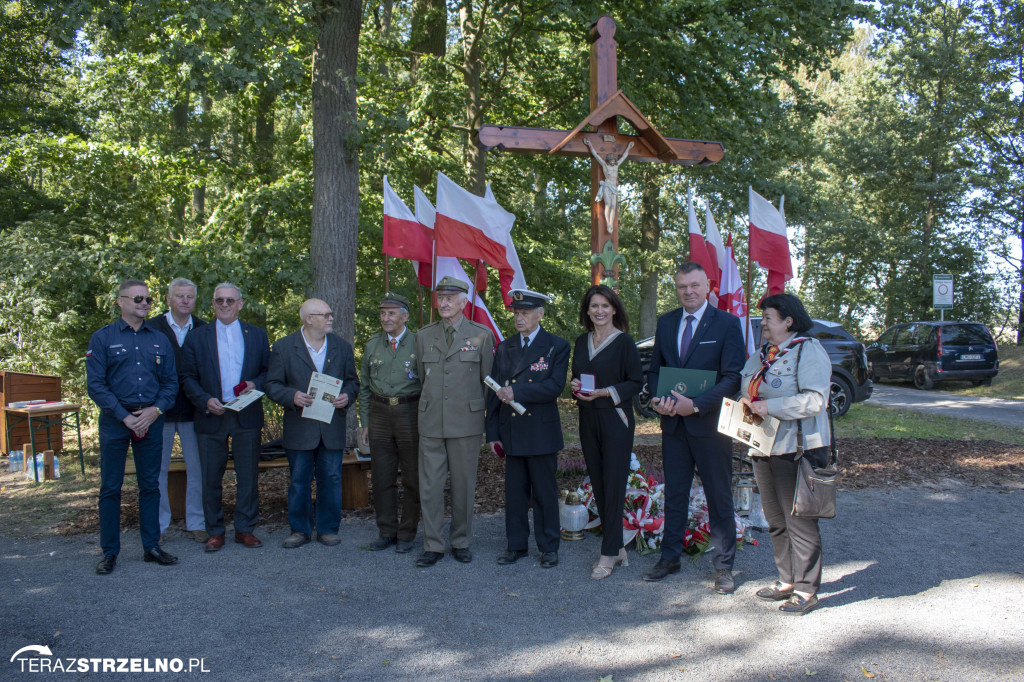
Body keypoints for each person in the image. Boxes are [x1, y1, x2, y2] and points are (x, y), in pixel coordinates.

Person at [644, 262, 745, 594]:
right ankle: (669, 557)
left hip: (710, 426)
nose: (688, 291)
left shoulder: (728, 324)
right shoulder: (667, 322)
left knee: (719, 495)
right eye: (682, 286)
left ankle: (724, 566)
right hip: (673, 424)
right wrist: (658, 399)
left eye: (694, 285)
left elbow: (733, 377)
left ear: (707, 286)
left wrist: (697, 404)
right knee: (674, 492)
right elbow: (656, 368)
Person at [739, 293, 832, 615]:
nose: (762, 323)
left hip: (798, 448)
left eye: (768, 318)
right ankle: (786, 579)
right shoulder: (763, 354)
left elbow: (816, 400)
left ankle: (807, 590)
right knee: (775, 518)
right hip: (764, 445)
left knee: (799, 520)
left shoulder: (809, 350)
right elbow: (745, 385)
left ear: (788, 321)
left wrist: (771, 406)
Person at [86, 278, 179, 574]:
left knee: (150, 485)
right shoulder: (103, 338)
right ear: (121, 301)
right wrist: (125, 417)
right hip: (116, 420)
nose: (145, 304)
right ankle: (110, 551)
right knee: (111, 487)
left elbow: (171, 383)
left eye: (149, 300)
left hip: (151, 419)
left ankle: (151, 546)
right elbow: (96, 385)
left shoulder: (160, 339)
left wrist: (155, 411)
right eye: (138, 299)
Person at [182, 283, 270, 552]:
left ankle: (245, 528)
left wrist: (256, 383)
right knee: (210, 477)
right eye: (219, 300)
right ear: (212, 303)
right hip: (211, 414)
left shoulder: (256, 335)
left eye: (230, 300)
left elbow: (269, 371)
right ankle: (215, 531)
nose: (224, 304)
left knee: (248, 476)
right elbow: (186, 376)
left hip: (246, 415)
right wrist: (204, 400)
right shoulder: (198, 336)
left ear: (240, 304)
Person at [486, 289, 570, 569]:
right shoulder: (506, 346)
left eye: (524, 313)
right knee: (515, 493)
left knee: (545, 493)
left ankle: (549, 547)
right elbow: (494, 391)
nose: (518, 318)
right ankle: (516, 545)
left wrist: (516, 390)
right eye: (516, 313)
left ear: (540, 314)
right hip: (512, 430)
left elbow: (554, 386)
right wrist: (492, 433)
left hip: (540, 431)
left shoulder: (556, 346)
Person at [414, 276, 494, 567]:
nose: (444, 303)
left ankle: (461, 541)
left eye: (450, 298)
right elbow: (425, 380)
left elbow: (487, 381)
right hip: (432, 421)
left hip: (466, 422)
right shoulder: (424, 335)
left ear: (464, 302)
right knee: (431, 486)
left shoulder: (481, 335)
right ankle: (433, 545)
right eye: (440, 298)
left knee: (463, 485)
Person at [265, 299, 358, 548]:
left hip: (331, 427)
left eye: (331, 314)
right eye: (325, 315)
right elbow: (272, 384)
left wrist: (347, 396)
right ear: (308, 318)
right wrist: (291, 396)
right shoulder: (284, 347)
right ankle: (300, 530)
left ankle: (328, 528)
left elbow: (353, 382)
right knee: (299, 480)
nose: (330, 318)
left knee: (331, 477)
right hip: (300, 426)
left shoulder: (342, 346)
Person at [570, 285, 643, 580]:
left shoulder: (624, 342)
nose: (599, 311)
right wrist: (575, 387)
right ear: (587, 311)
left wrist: (605, 392)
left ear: (614, 309)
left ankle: (608, 553)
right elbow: (577, 377)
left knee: (613, 484)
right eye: (594, 306)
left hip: (615, 419)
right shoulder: (581, 341)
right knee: (598, 484)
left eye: (605, 306)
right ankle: (618, 546)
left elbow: (635, 381)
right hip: (588, 418)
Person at [358, 293, 421, 554]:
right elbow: (363, 386)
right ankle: (386, 531)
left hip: (410, 413)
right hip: (380, 413)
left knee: (412, 477)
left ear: (405, 316)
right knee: (382, 476)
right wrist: (365, 422)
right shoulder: (373, 345)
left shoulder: (419, 342)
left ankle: (407, 533)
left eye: (391, 313)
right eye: (383, 313)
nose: (386, 318)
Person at [149, 277, 208, 543]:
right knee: (157, 471)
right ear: (168, 299)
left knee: (198, 470)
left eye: (190, 297)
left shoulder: (205, 329)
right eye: (179, 296)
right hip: (159, 412)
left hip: (195, 412)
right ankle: (158, 527)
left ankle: (196, 522)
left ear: (195, 300)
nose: (185, 301)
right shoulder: (151, 328)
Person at [583, 137, 634, 231]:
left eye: (613, 160)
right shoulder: (604, 165)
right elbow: (596, 155)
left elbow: (624, 156)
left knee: (613, 206)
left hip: (614, 187)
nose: (613, 161)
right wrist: (590, 145)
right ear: (608, 160)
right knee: (608, 205)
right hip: (607, 187)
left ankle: (611, 223)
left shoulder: (617, 165)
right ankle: (608, 223)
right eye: (611, 160)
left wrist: (629, 147)